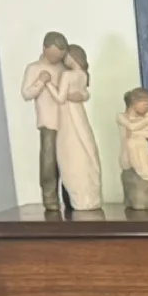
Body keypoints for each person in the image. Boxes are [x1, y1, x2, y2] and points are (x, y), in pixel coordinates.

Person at [48, 44, 103, 211]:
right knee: (85, 147)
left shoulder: (67, 75)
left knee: (71, 153)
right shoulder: (83, 75)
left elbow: (60, 98)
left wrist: (48, 84)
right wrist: (80, 95)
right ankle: (91, 197)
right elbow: (84, 94)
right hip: (79, 114)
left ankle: (80, 199)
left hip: (67, 115)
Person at [20, 31, 67, 211]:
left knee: (68, 159)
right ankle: (50, 198)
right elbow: (26, 94)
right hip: (48, 121)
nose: (57, 58)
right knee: (49, 160)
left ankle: (70, 197)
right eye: (54, 54)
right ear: (44, 48)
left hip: (68, 121)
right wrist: (40, 82)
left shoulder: (64, 68)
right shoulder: (34, 68)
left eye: (60, 55)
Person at [117, 87, 148, 210]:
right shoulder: (121, 116)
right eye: (145, 104)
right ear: (134, 103)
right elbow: (131, 127)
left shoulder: (145, 118)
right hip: (129, 154)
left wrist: (137, 133)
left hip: (144, 152)